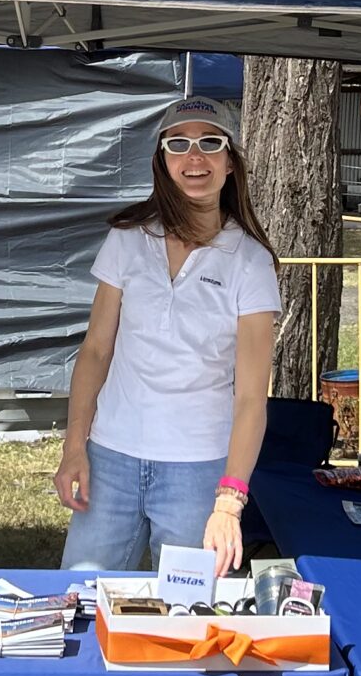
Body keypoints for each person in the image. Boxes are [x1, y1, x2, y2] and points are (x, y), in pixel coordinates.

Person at [57, 95, 280, 576]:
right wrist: (75, 446)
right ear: (162, 160)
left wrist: (229, 500)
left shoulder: (250, 261)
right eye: (177, 144)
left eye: (210, 143)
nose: (193, 157)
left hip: (197, 470)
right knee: (79, 599)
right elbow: (95, 351)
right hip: (110, 457)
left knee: (187, 616)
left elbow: (250, 398)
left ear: (230, 161)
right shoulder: (127, 237)